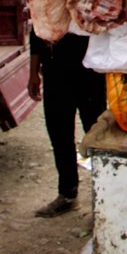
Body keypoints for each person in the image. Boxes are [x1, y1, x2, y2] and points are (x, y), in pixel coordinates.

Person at [27, 30, 106, 218]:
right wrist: (33, 73)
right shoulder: (47, 1)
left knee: (97, 137)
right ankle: (68, 194)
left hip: (90, 74)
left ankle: (105, 196)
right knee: (59, 135)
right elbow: (36, 33)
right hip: (55, 74)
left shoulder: (89, 2)